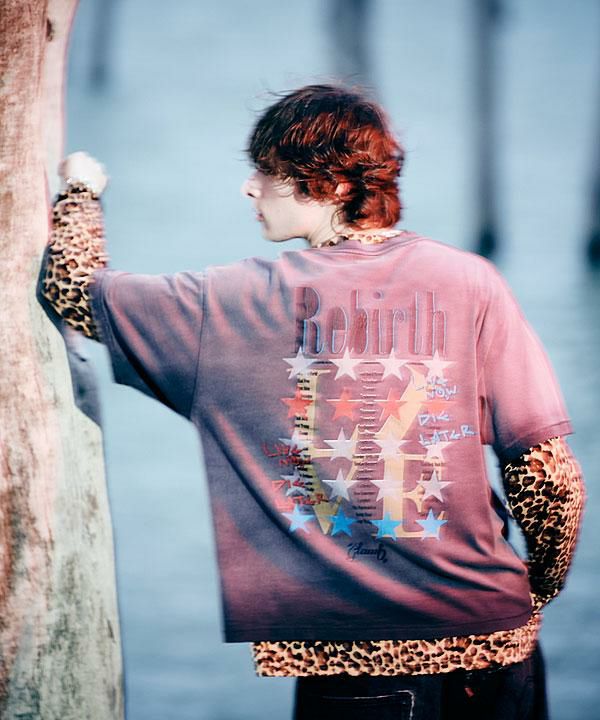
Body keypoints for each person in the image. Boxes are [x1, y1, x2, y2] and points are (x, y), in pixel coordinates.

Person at [39, 84, 585, 720]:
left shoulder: (236, 301)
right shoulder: (473, 281)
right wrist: (535, 591)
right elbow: (547, 475)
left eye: (267, 173)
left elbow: (72, 289)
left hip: (362, 666)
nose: (249, 189)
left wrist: (81, 187)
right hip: (502, 651)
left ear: (330, 187)